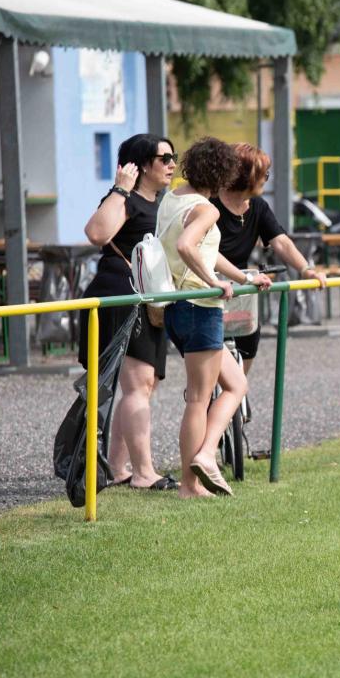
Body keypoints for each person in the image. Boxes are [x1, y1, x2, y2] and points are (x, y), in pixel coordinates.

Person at [158, 137, 272, 498]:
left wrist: (244, 278)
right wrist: (214, 283)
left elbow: (205, 250)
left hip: (177, 307)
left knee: (236, 384)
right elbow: (186, 247)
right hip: (199, 306)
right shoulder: (207, 209)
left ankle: (205, 455)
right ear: (223, 174)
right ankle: (191, 482)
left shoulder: (173, 198)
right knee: (198, 398)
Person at [79, 134, 178, 491]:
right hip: (121, 295)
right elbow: (96, 233)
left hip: (148, 300)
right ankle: (144, 472)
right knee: (139, 383)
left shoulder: (161, 203)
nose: (171, 164)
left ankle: (119, 467)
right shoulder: (126, 199)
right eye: (163, 158)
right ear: (142, 165)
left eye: (174, 156)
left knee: (145, 385)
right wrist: (121, 188)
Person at [213, 143, 327, 375]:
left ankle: (237, 389)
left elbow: (281, 241)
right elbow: (205, 252)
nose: (266, 179)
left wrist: (306, 269)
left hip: (241, 287)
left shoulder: (258, 206)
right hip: (209, 283)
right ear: (247, 176)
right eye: (263, 174)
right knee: (212, 353)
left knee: (249, 338)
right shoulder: (211, 204)